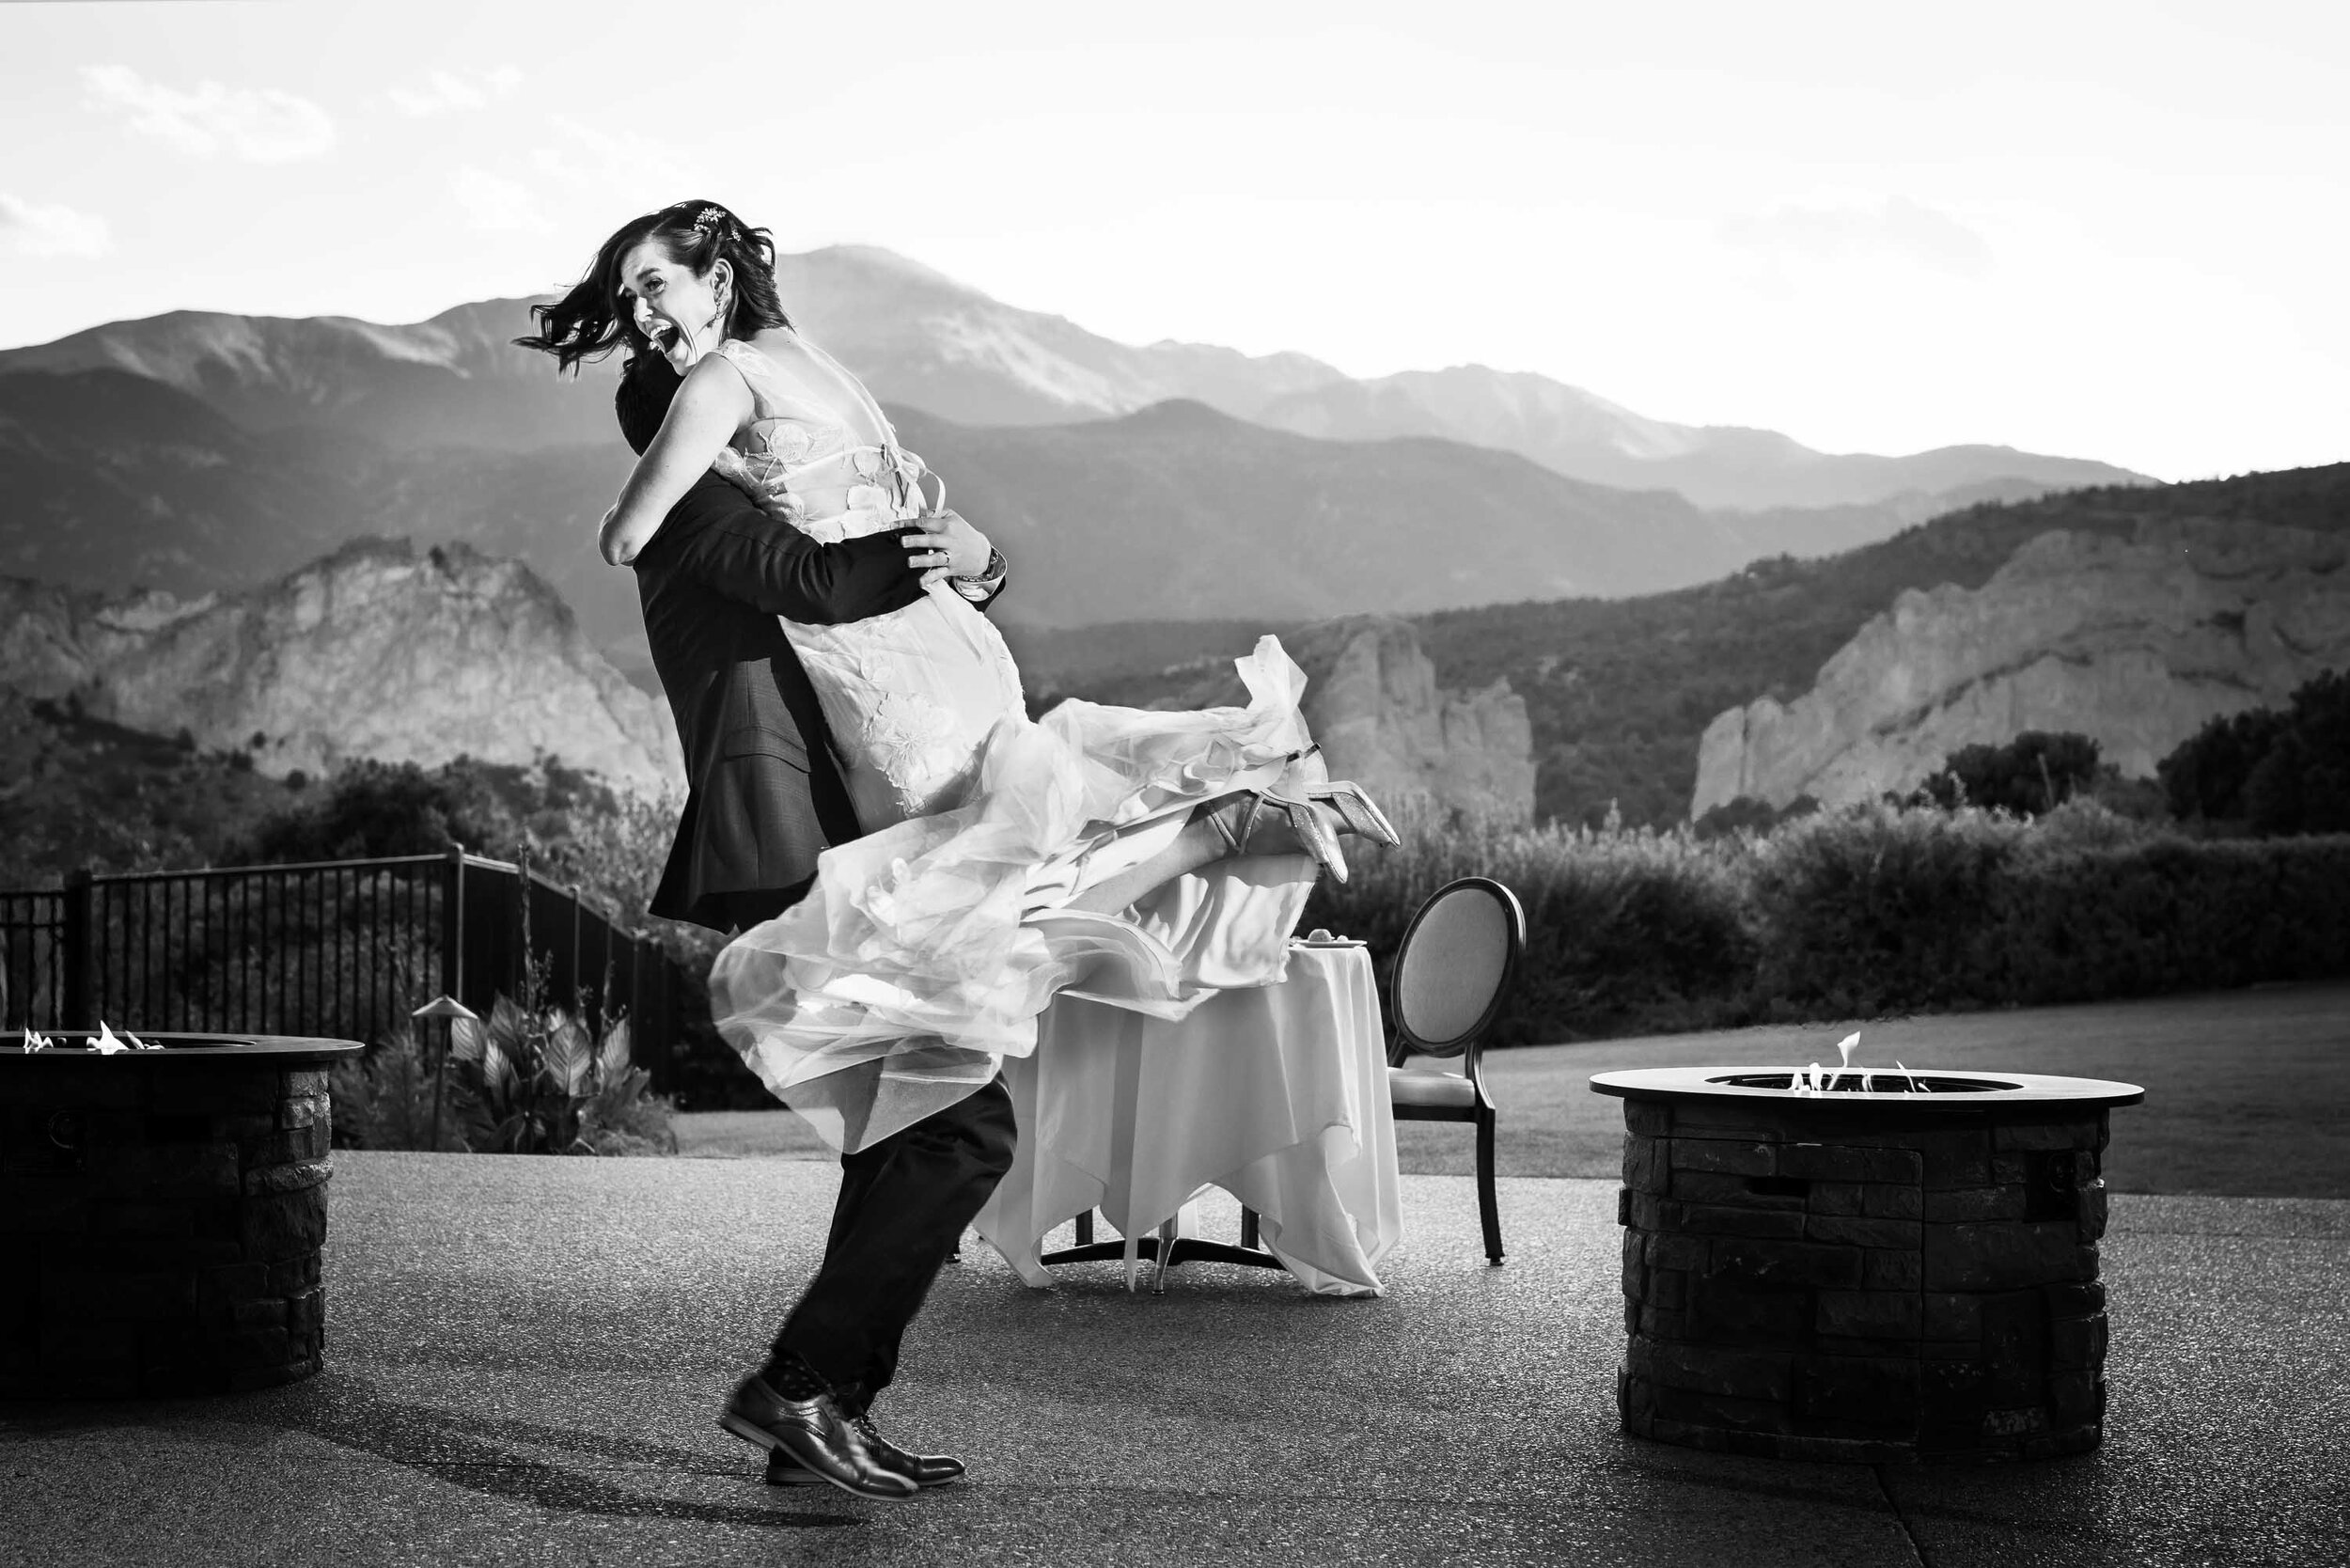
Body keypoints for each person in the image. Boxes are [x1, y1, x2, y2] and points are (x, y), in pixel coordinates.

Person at [522, 199, 1401, 1501]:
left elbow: (909, 527)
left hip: (942, 710)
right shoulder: (698, 417)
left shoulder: (805, 372)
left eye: (660, 285)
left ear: (722, 271)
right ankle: (804, 1387)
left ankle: (820, 1415)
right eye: (633, 298)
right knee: (963, 1119)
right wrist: (895, 558)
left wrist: (980, 561)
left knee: (914, 1125)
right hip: (857, 800)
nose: (646, 318)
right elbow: (771, 570)